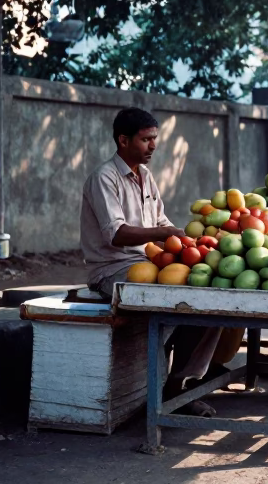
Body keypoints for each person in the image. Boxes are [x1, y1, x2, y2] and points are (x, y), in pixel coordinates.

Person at [81, 107, 223, 415]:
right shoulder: (104, 178)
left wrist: (192, 242)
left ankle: (180, 387)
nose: (153, 146)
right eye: (146, 140)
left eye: (154, 139)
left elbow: (162, 224)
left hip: (148, 262)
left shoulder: (146, 176)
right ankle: (158, 399)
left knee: (210, 294)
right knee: (166, 302)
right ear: (123, 140)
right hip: (111, 269)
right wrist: (165, 232)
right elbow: (116, 234)